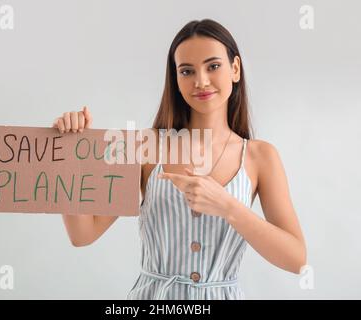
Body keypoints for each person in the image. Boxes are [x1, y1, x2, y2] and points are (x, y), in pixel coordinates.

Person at [52, 18, 306, 300]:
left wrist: (228, 207)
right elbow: (83, 234)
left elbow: (295, 259)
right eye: (187, 71)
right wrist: (69, 154)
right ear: (176, 79)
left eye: (213, 66)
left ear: (235, 69)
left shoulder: (261, 157)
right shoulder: (144, 147)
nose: (201, 81)